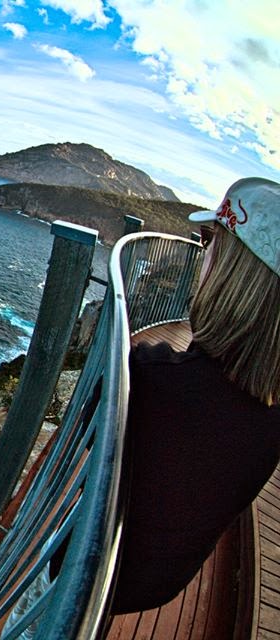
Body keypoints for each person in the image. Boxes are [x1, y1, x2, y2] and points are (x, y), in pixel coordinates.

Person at [111, 177, 280, 613]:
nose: (200, 255)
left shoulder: (152, 379)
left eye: (209, 243)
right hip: (157, 586)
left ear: (230, 273)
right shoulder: (269, 413)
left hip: (97, 577)